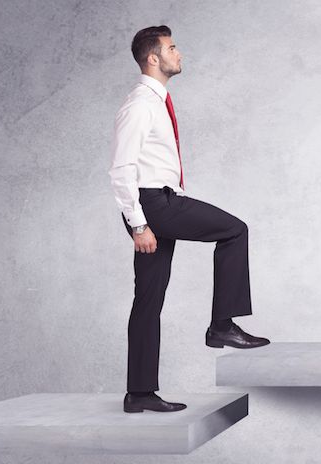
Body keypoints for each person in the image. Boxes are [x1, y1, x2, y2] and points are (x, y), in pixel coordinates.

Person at [108, 25, 270, 414]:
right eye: (172, 48)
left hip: (155, 203)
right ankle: (222, 325)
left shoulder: (156, 101)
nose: (179, 53)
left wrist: (141, 220)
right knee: (235, 230)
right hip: (153, 204)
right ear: (153, 58)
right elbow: (121, 168)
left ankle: (140, 393)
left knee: (147, 300)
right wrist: (139, 224)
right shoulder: (141, 104)